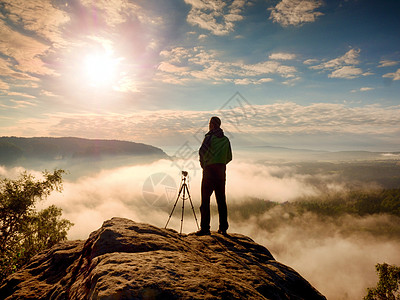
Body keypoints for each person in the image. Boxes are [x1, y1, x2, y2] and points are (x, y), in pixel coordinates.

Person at [196, 116, 232, 236]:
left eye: (210, 123)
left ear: (211, 125)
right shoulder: (226, 140)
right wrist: (220, 164)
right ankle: (223, 228)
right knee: (221, 200)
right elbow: (229, 157)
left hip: (209, 171)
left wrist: (204, 164)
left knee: (205, 201)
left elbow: (202, 152)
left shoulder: (209, 138)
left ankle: (205, 228)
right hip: (221, 172)